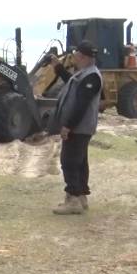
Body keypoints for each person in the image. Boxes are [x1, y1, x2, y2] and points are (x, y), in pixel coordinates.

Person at [49, 40, 102, 215]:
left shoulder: (91, 77)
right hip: (79, 127)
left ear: (83, 56)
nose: (74, 58)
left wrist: (67, 126)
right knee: (79, 162)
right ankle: (81, 196)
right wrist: (58, 67)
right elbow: (71, 83)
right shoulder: (84, 74)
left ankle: (72, 199)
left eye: (76, 55)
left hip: (79, 127)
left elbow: (81, 105)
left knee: (69, 161)